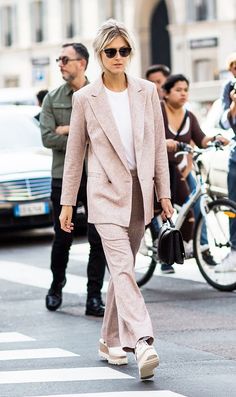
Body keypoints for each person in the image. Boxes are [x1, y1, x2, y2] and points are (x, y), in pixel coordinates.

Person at [59, 19, 173, 380]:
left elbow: (156, 148)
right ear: (99, 55)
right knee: (123, 269)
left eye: (125, 51)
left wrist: (164, 193)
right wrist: (66, 204)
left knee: (122, 273)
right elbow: (75, 154)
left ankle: (109, 340)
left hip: (140, 195)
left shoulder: (146, 92)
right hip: (104, 195)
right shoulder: (85, 98)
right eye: (111, 51)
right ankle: (142, 340)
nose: (119, 57)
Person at [40, 42, 107, 317]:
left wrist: (69, 130)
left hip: (95, 175)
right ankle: (56, 286)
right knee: (62, 237)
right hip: (63, 176)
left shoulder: (100, 95)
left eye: (65, 59)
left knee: (98, 237)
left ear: (82, 63)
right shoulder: (52, 98)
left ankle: (94, 296)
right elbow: (47, 137)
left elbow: (105, 136)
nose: (60, 64)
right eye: (59, 59)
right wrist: (82, 135)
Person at [161, 74, 229, 272]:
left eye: (186, 90)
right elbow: (147, 136)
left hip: (179, 170)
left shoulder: (189, 116)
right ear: (166, 93)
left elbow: (201, 139)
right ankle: (164, 253)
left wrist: (216, 138)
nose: (183, 94)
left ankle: (199, 248)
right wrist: (162, 143)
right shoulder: (158, 111)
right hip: (157, 170)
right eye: (178, 90)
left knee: (193, 206)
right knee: (160, 212)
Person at [215, 52, 236, 272]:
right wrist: (233, 105)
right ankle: (234, 252)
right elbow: (223, 121)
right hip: (235, 155)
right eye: (233, 67)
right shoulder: (229, 88)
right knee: (233, 205)